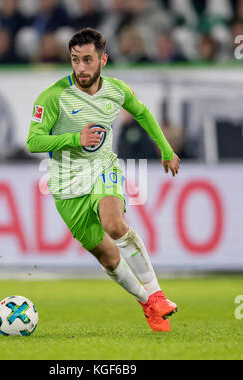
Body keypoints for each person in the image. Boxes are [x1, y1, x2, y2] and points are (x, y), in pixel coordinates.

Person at [27, 28, 180, 332]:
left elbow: (144, 114)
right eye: (74, 60)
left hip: (102, 170)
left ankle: (158, 294)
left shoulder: (117, 91)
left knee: (114, 224)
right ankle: (148, 305)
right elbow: (33, 141)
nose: (81, 68)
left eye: (87, 60)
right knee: (109, 258)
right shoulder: (54, 96)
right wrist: (75, 138)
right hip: (66, 186)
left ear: (103, 60)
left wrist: (166, 149)